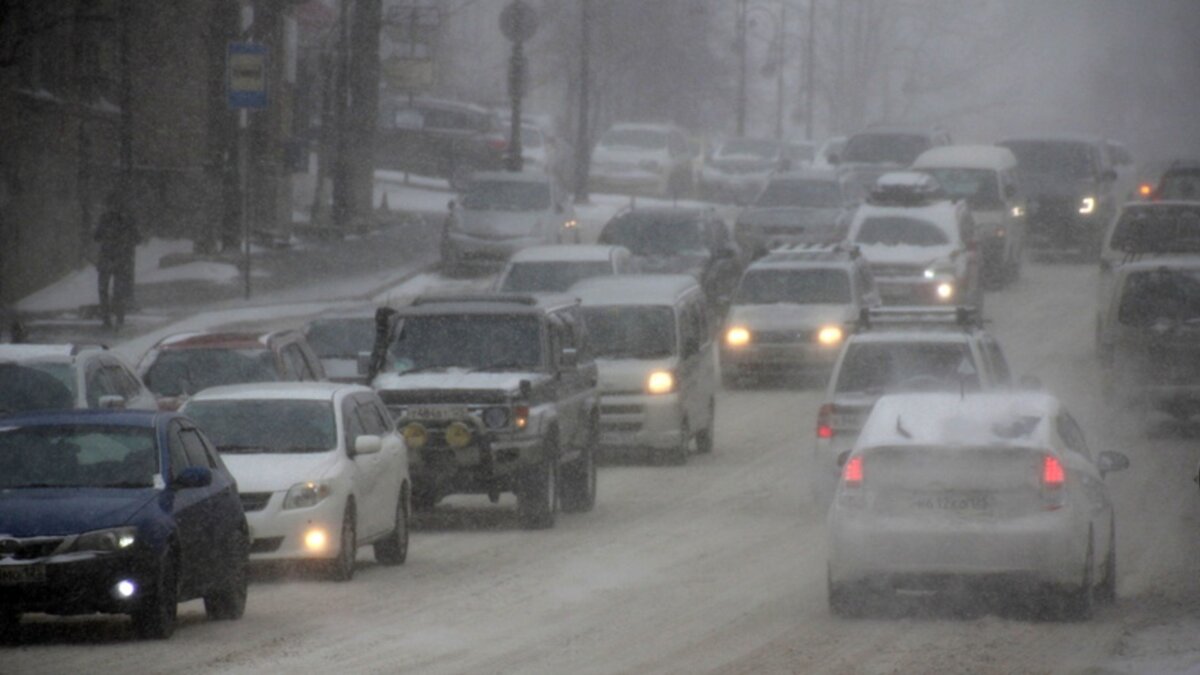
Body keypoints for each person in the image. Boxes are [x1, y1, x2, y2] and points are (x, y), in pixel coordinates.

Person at [94, 188, 139, 328]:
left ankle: (107, 319)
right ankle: (119, 318)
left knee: (104, 290)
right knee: (118, 291)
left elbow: (96, 236)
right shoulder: (127, 219)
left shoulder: (105, 218)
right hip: (121, 259)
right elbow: (137, 238)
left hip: (108, 258)